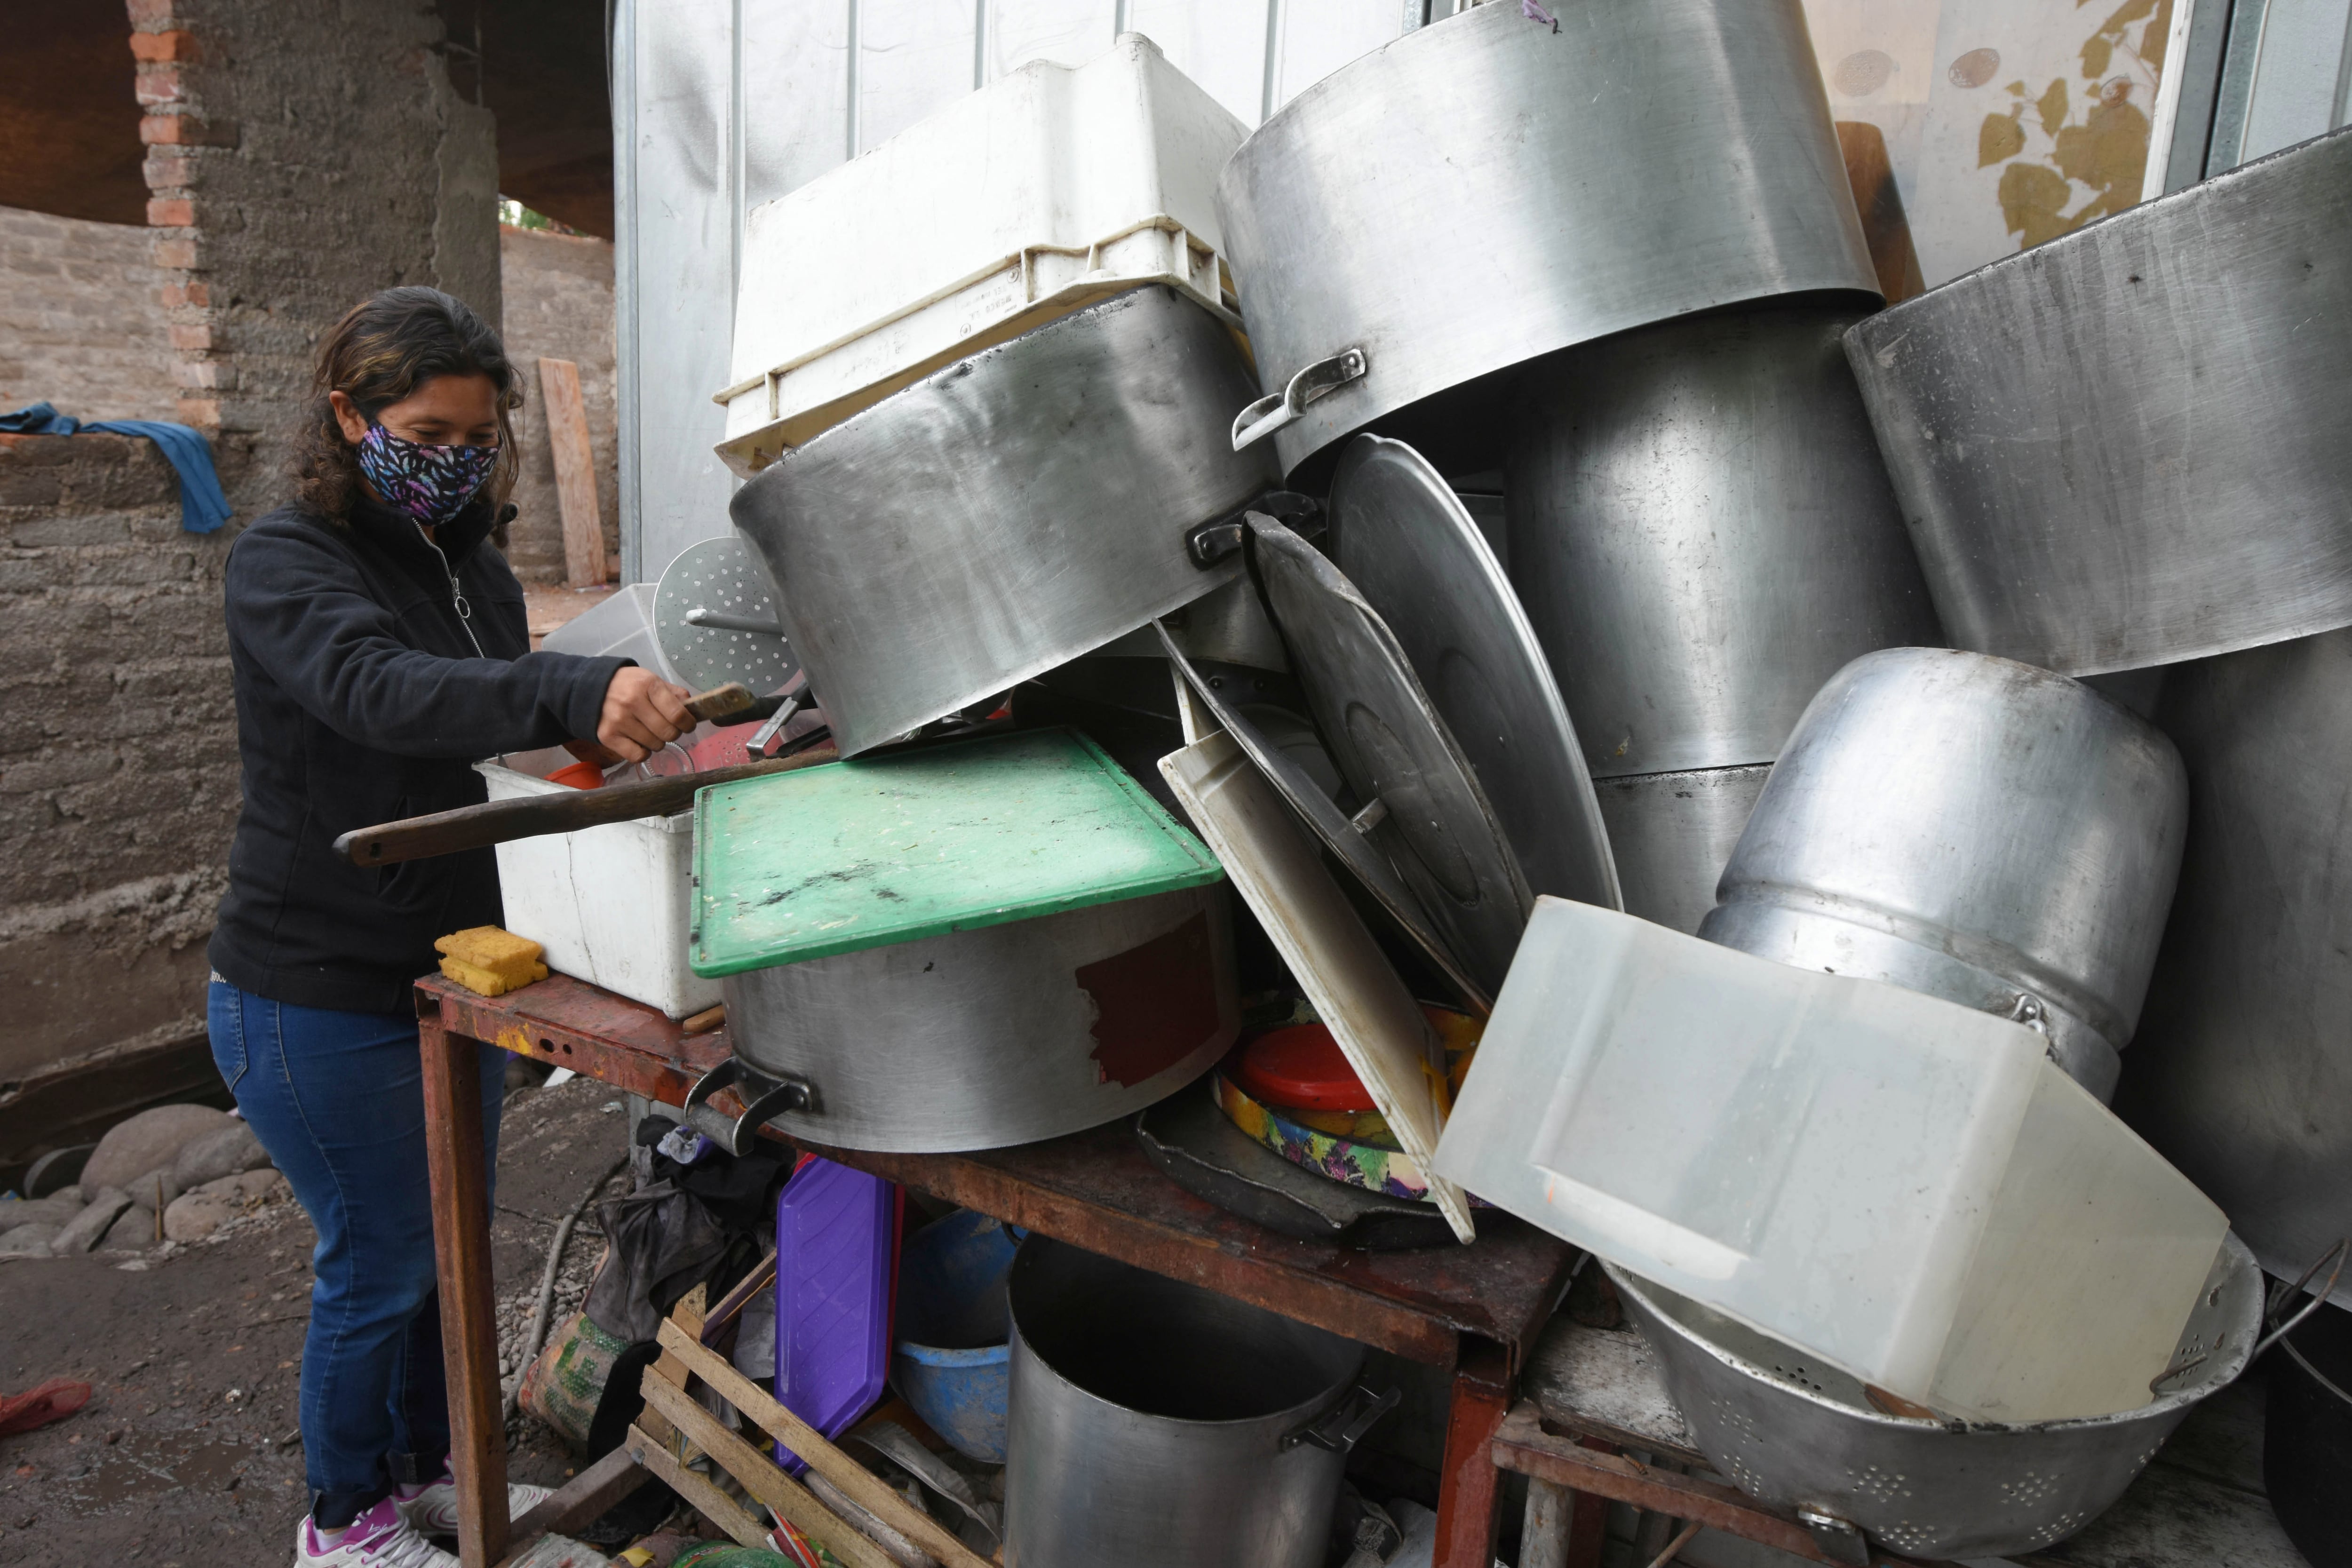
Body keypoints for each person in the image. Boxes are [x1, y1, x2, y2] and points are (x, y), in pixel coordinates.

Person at [205, 287, 694, 1568]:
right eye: (426, 433)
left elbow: (491, 720)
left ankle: (429, 1482)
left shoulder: (469, 564)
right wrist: (567, 684)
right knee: (381, 1265)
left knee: (444, 1256)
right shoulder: (285, 561)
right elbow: (380, 691)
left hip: (440, 971)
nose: (454, 463)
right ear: (348, 416)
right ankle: (343, 1527)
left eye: (477, 440)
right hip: (312, 986)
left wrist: (593, 718)